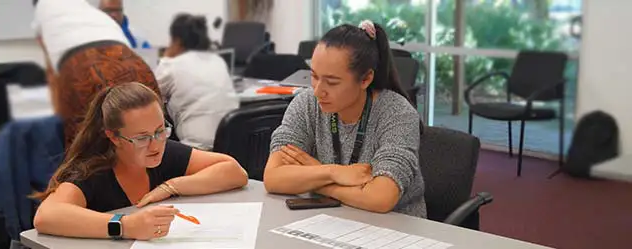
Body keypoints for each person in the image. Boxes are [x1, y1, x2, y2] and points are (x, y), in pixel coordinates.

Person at [32, 83, 248, 240]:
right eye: (141, 138)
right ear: (114, 137)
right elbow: (46, 216)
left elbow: (234, 172)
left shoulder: (163, 152)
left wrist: (170, 186)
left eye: (160, 131)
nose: (155, 145)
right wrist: (125, 226)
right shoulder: (91, 171)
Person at [263, 21, 426, 217]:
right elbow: (273, 178)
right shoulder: (306, 104)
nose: (318, 91)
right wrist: (334, 172)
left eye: (332, 82)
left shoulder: (397, 113)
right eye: (314, 76)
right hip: (329, 221)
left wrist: (316, 174)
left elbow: (381, 198)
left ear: (365, 79)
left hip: (395, 231)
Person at [33, 0, 161, 146]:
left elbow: (52, 76)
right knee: (153, 136)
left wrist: (59, 113)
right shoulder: (89, 10)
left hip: (81, 69)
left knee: (86, 150)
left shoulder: (41, 14)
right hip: (130, 60)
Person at [156, 14, 238, 150]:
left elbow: (148, 95)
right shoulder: (218, 61)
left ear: (176, 40)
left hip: (197, 148)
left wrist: (167, 55)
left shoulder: (171, 65)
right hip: (230, 146)